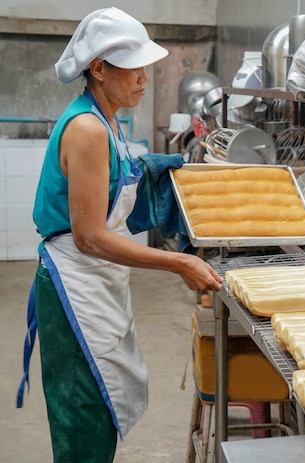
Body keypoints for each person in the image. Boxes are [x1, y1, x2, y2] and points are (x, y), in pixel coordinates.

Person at [16, 7, 223, 462]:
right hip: (76, 287)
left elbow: (112, 193)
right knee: (82, 424)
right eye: (133, 66)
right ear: (98, 68)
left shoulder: (107, 121)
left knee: (97, 414)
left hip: (98, 283)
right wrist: (178, 262)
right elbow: (89, 237)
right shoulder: (88, 128)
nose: (144, 78)